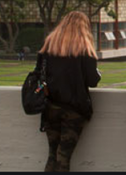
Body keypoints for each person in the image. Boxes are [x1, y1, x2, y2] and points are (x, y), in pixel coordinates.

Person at [37, 11, 102, 172]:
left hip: (50, 106)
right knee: (64, 156)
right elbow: (92, 81)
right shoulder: (84, 49)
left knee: (52, 155)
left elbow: (39, 72)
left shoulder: (49, 46)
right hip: (74, 108)